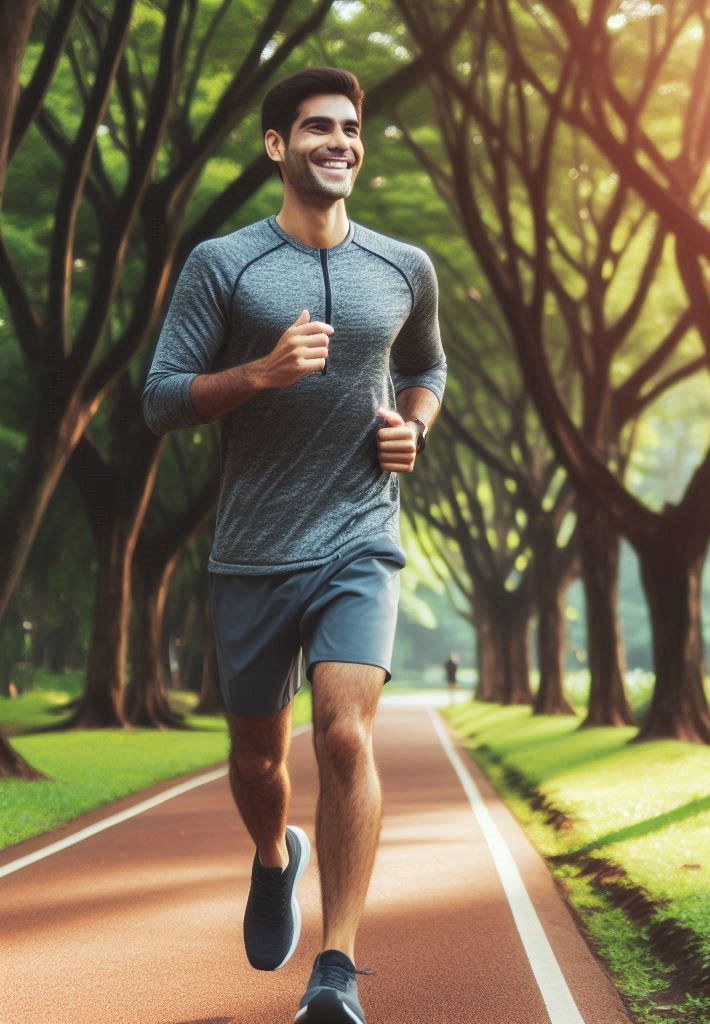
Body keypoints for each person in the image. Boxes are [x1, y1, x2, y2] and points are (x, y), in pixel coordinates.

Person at [142, 67, 446, 1024]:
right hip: (252, 550)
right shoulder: (223, 265)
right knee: (258, 764)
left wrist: (415, 422)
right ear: (277, 145)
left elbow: (427, 362)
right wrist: (257, 374)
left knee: (346, 735)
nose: (339, 142)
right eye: (318, 127)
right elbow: (159, 398)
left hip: (359, 536)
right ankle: (273, 856)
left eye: (351, 129)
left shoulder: (404, 268)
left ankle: (338, 969)